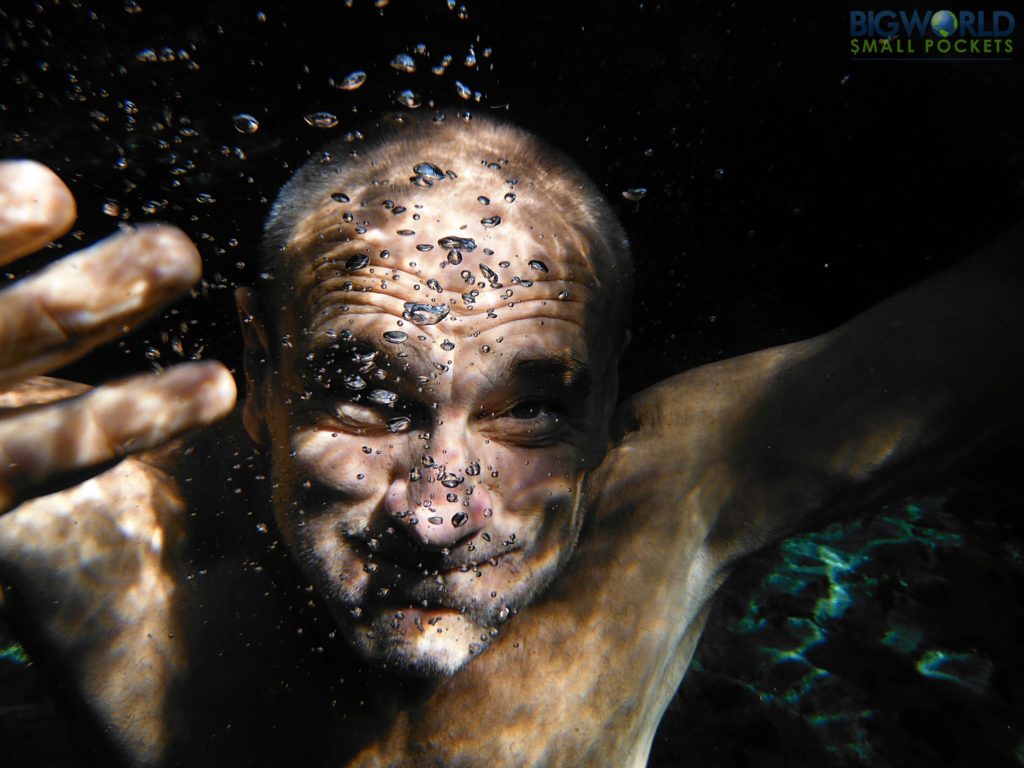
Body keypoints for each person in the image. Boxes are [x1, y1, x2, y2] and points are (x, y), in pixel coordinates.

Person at [0, 112, 1021, 767]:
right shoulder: (91, 515)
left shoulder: (673, 501)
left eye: (528, 409)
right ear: (262, 372)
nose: (437, 513)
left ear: (610, 385)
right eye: (363, 397)